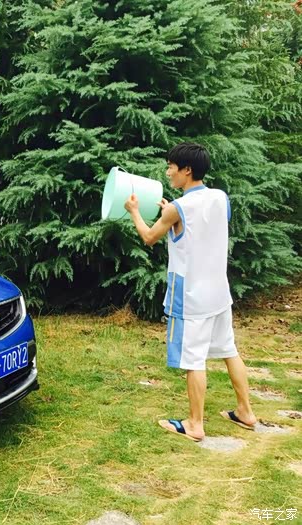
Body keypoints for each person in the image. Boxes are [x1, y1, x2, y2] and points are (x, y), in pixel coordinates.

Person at [124, 142, 257, 442]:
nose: (168, 171)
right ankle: (246, 412)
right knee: (229, 351)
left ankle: (195, 424)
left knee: (194, 360)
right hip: (219, 294)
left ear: (187, 170)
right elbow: (201, 229)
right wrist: (172, 215)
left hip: (191, 298)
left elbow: (148, 237)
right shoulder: (220, 197)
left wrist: (134, 211)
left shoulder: (177, 208)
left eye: (171, 167)